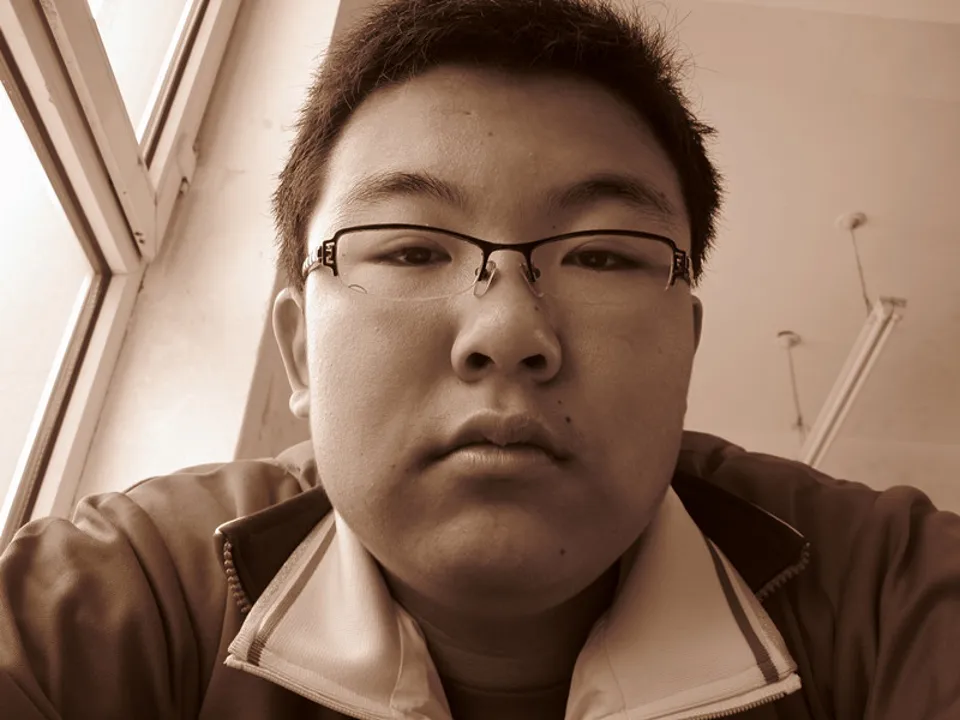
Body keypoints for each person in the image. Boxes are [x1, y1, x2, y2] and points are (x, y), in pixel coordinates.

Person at [2, 0, 958, 717]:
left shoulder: (883, 590)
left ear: (687, 351)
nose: (506, 332)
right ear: (299, 352)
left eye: (600, 256)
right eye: (412, 250)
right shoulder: (143, 591)